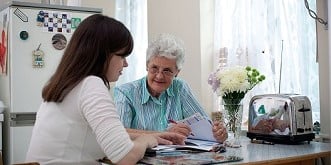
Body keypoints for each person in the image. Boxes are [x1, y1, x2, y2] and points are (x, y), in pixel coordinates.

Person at [25, 14, 185, 165]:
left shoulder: (68, 84)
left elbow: (112, 135)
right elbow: (125, 157)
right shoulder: (90, 85)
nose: (125, 64)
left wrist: (155, 136)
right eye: (122, 56)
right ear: (103, 55)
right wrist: (145, 141)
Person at [114, 33, 228, 143]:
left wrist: (218, 133)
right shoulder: (125, 93)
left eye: (167, 70)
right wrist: (165, 134)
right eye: (154, 68)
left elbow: (206, 128)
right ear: (146, 66)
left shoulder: (180, 88)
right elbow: (118, 135)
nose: (159, 76)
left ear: (177, 72)